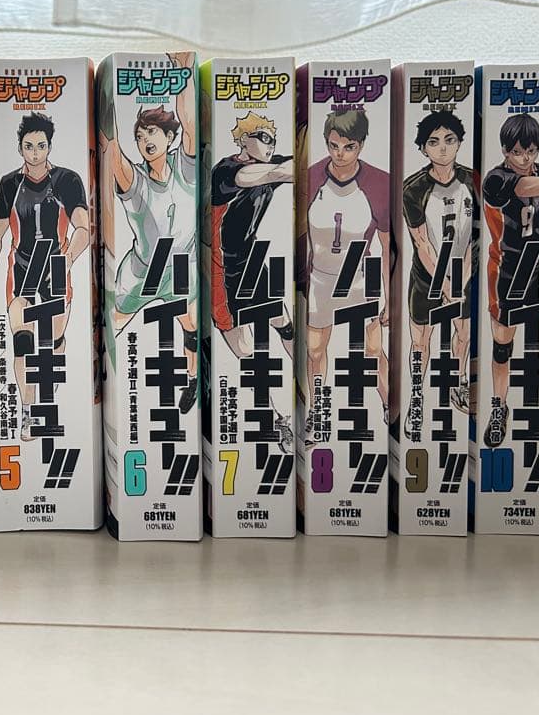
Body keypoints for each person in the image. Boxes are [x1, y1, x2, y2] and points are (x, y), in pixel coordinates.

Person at [0, 111, 90, 441]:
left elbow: (84, 229)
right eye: (29, 146)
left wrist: (67, 259)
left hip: (56, 268)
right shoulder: (9, 184)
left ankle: (49, 375)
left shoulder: (68, 180)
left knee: (53, 342)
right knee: (23, 342)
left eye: (41, 146)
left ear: (50, 147)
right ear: (20, 148)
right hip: (22, 269)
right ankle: (27, 411)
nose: (36, 153)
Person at [99, 51, 199, 414]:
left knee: (191, 325)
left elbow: (189, 120)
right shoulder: (135, 180)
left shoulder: (185, 167)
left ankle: (191, 380)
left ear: (169, 137)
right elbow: (114, 155)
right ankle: (109, 388)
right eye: (140, 136)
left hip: (182, 267)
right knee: (115, 323)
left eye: (152, 132)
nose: (145, 140)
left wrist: (184, 72)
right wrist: (106, 100)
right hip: (142, 271)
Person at [303, 109, 391, 444]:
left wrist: (390, 298)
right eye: (333, 145)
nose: (340, 154)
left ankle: (390, 404)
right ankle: (317, 412)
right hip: (321, 276)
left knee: (373, 350)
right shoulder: (310, 178)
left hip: (361, 274)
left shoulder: (379, 183)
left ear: (362, 144)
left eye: (349, 146)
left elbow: (388, 246)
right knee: (315, 351)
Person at [208, 110, 294, 451]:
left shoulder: (270, 164)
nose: (270, 145)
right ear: (243, 140)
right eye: (263, 138)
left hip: (252, 262)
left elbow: (289, 167)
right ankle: (277, 418)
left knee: (285, 324)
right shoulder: (226, 171)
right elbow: (266, 174)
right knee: (247, 352)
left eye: (273, 139)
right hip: (222, 270)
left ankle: (311, 393)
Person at [481, 113, 539, 448]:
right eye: (517, 152)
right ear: (505, 150)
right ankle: (498, 407)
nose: (524, 158)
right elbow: (525, 188)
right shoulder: (495, 179)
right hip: (506, 273)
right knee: (502, 348)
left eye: (530, 151)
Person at [401, 111, 474, 422]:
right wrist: (444, 287)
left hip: (463, 269)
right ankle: (416, 397)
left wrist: (461, 282)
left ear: (459, 143)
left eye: (449, 140)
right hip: (426, 275)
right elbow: (422, 243)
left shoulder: (473, 180)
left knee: (464, 331)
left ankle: (459, 382)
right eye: (433, 142)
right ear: (423, 148)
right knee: (420, 340)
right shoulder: (413, 188)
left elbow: (475, 239)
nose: (442, 148)